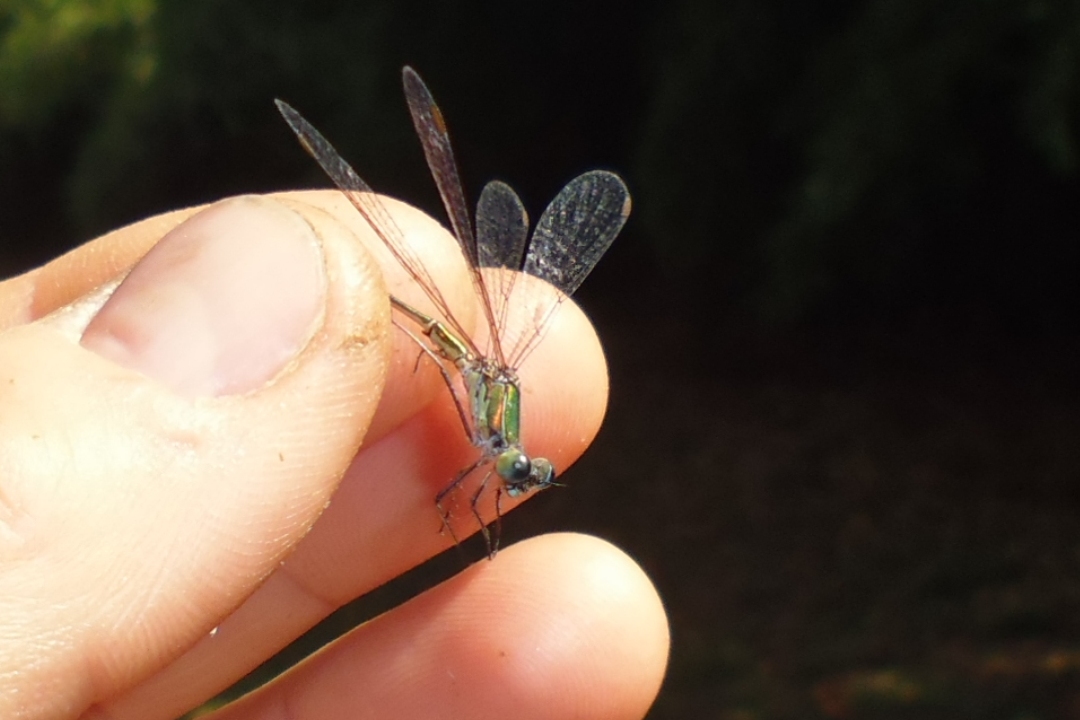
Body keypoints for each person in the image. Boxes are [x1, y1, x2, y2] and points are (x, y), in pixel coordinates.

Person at [0, 193, 669, 718]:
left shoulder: (499, 450)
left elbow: (466, 490)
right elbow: (458, 486)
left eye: (518, 479)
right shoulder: (494, 431)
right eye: (518, 476)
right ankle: (274, 269)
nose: (513, 479)